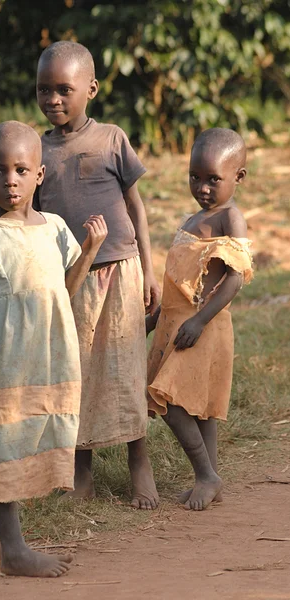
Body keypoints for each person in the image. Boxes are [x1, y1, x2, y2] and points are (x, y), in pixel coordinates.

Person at [0, 120, 107, 577]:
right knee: (2, 444)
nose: (10, 180)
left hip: (43, 358)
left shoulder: (55, 227)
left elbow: (65, 288)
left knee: (17, 440)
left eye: (21, 170)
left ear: (40, 175)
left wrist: (92, 247)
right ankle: (15, 552)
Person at [35, 41, 160, 510]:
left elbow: (136, 207)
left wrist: (150, 271)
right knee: (78, 370)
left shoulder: (111, 138)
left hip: (121, 269)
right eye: (44, 90)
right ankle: (80, 467)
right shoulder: (37, 149)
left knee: (126, 368)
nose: (53, 100)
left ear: (90, 88)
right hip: (71, 276)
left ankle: (138, 462)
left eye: (64, 90)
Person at [147, 128, 253, 511]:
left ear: (238, 177)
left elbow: (235, 278)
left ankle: (207, 475)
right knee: (199, 406)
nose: (203, 187)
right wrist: (155, 319)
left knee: (172, 403)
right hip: (179, 324)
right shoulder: (192, 219)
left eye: (214, 179)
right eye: (195, 177)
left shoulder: (230, 218)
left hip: (204, 326)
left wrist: (200, 321)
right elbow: (180, 282)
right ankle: (209, 478)